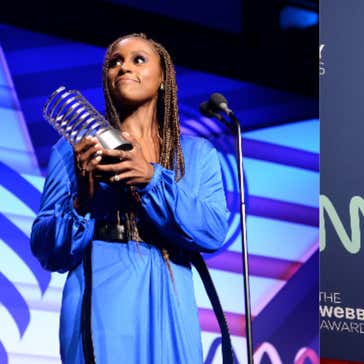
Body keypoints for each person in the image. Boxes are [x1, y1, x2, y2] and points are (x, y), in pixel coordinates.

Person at [30, 33, 230, 363]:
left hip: (171, 291)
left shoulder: (195, 155)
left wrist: (152, 178)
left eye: (138, 60)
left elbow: (212, 232)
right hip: (103, 294)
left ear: (164, 77)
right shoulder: (74, 150)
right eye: (114, 63)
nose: (124, 67)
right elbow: (48, 251)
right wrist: (82, 199)